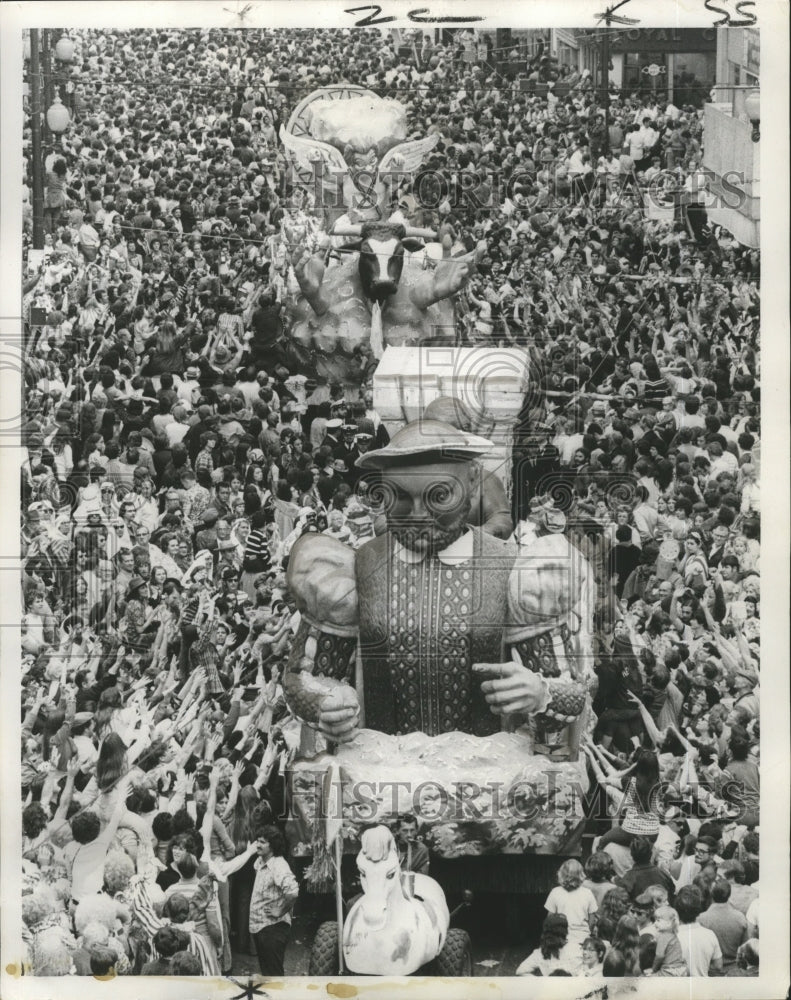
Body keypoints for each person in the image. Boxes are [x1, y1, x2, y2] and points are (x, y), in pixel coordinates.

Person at [249, 824, 299, 976]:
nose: (258, 844)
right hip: (260, 927)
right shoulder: (260, 861)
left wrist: (280, 910)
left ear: (273, 845)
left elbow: (293, 891)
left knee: (274, 975)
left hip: (273, 928)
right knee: (267, 972)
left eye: (262, 842)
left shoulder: (278, 865)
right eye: (257, 840)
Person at [698, 879, 749, 973]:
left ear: (711, 894)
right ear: (729, 895)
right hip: (734, 971)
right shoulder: (740, 918)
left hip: (710, 971)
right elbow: (745, 949)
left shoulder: (701, 919)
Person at [674, 885, 723, 976]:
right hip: (703, 986)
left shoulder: (671, 937)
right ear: (698, 911)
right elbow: (718, 966)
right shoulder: (710, 935)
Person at [648, 905, 687, 976]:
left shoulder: (663, 936)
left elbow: (659, 956)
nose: (655, 923)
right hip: (680, 969)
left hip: (668, 971)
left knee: (645, 979)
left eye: (658, 920)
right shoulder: (673, 934)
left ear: (669, 923)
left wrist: (653, 969)